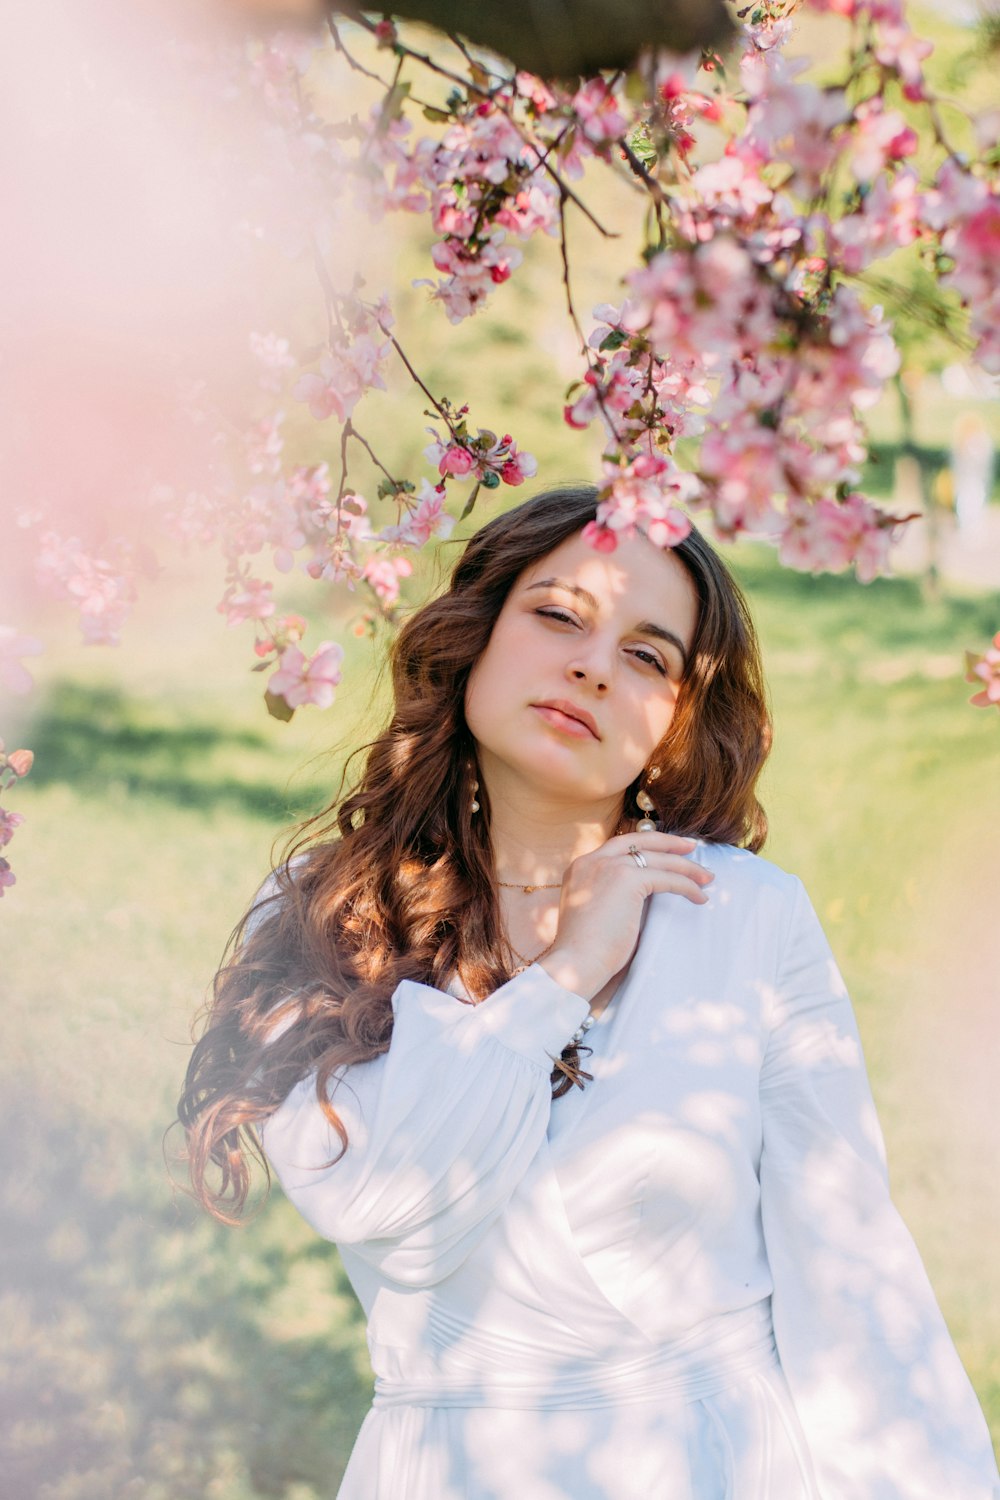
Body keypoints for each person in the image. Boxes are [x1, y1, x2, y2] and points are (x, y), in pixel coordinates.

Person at [178, 485, 1000, 1499]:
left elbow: (849, 1274)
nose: (590, 666)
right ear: (474, 635)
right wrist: (562, 979)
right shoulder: (325, 912)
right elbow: (384, 1191)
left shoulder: (739, 916)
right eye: (559, 615)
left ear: (674, 725)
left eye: (648, 656)